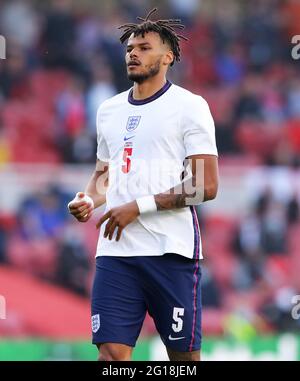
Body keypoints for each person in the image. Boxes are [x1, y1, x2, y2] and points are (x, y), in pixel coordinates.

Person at [68, 8, 219, 361]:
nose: (133, 53)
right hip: (116, 254)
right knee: (111, 356)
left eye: (144, 47)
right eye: (130, 48)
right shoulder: (108, 109)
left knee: (183, 361)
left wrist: (139, 206)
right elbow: (105, 175)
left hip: (171, 252)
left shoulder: (190, 106)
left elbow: (206, 186)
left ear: (168, 57)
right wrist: (89, 200)